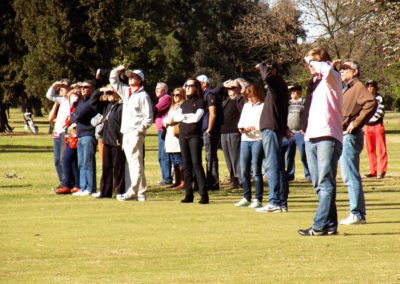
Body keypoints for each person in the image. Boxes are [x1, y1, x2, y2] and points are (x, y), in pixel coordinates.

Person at [297, 47, 343, 236]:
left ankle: (318, 225)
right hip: (311, 136)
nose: (309, 66)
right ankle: (330, 225)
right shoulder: (315, 84)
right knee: (318, 184)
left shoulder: (333, 78)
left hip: (327, 135)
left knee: (325, 182)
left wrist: (315, 60)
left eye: (311, 62)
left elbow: (327, 69)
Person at [338, 59, 376, 225]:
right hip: (343, 135)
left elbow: (371, 103)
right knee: (347, 175)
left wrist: (356, 123)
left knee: (350, 175)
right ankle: (356, 212)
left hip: (350, 136)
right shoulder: (347, 88)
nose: (342, 71)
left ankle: (357, 213)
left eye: (346, 68)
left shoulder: (358, 86)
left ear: (354, 71)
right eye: (341, 68)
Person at [110, 66, 153, 202]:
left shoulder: (143, 96)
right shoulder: (126, 92)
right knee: (134, 162)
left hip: (135, 132)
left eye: (133, 77)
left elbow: (148, 117)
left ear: (140, 80)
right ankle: (141, 192)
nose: (130, 78)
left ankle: (133, 192)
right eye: (129, 76)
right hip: (126, 133)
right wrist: (118, 69)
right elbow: (113, 80)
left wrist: (140, 130)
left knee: (135, 163)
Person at [254, 62, 290, 213]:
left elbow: (267, 77)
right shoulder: (278, 86)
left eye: (269, 68)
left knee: (272, 165)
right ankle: (281, 202)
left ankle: (274, 201)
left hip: (271, 129)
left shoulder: (276, 82)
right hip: (276, 128)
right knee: (279, 166)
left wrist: (261, 66)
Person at [173, 78, 209, 204]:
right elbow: (174, 117)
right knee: (186, 166)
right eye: (186, 85)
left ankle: (204, 195)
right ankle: (189, 195)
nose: (187, 88)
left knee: (196, 164)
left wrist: (184, 118)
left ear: (197, 87)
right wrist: (185, 117)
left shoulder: (200, 102)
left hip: (195, 137)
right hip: (183, 136)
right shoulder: (184, 103)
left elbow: (196, 118)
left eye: (191, 85)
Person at [234, 84, 265, 208]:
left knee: (256, 170)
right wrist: (242, 128)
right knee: (244, 170)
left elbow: (262, 122)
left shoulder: (263, 106)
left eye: (252, 96)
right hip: (245, 139)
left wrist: (254, 127)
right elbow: (241, 121)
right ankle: (246, 197)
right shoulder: (246, 106)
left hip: (257, 139)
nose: (250, 99)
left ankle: (258, 199)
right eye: (248, 96)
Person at [94, 85, 125, 198]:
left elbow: (122, 124)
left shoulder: (122, 106)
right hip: (106, 140)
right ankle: (105, 192)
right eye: (107, 94)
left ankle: (120, 192)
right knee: (106, 168)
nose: (108, 95)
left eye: (111, 93)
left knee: (118, 168)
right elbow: (93, 103)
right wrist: (99, 90)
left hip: (117, 141)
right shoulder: (107, 106)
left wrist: (121, 139)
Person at [70, 80, 99, 196]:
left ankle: (90, 188)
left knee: (88, 162)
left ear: (92, 89)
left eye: (86, 87)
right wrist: (75, 116)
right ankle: (83, 187)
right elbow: (73, 117)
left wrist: (76, 116)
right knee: (81, 163)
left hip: (88, 134)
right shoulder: (81, 101)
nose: (83, 89)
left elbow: (80, 115)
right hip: (80, 135)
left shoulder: (92, 102)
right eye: (82, 87)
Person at [45, 78, 72, 190]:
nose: (61, 90)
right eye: (60, 88)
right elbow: (49, 95)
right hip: (58, 132)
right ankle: (63, 182)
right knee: (57, 160)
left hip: (65, 134)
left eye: (64, 88)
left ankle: (67, 183)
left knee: (62, 159)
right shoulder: (62, 100)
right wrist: (55, 85)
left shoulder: (71, 99)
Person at [197, 74, 221, 191]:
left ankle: (213, 183)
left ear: (204, 83)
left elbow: (213, 113)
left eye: (198, 84)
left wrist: (209, 129)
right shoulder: (204, 94)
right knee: (209, 156)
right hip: (204, 128)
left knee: (210, 156)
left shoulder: (210, 94)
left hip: (209, 129)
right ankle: (210, 182)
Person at [54, 88, 81, 195]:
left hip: (75, 135)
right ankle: (76, 185)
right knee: (73, 161)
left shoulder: (75, 104)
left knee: (66, 159)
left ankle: (66, 184)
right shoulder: (71, 109)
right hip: (68, 135)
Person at [220, 79, 244, 189]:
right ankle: (233, 179)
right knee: (228, 158)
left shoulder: (241, 100)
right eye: (229, 88)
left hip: (235, 132)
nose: (230, 90)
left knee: (236, 157)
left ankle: (240, 180)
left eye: (233, 88)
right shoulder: (225, 100)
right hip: (224, 132)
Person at [284, 83, 311, 181]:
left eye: (295, 91)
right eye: (292, 91)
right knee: (289, 155)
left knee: (304, 154)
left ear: (299, 92)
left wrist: (305, 128)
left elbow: (308, 116)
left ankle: (308, 175)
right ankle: (290, 175)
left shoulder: (303, 102)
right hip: (290, 133)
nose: (292, 93)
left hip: (300, 133)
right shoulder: (288, 103)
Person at [163, 87, 186, 190]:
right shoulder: (173, 106)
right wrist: (167, 121)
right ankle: (177, 181)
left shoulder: (183, 106)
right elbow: (167, 119)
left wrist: (167, 121)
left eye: (178, 95)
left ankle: (183, 181)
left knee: (179, 160)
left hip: (177, 135)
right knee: (174, 160)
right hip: (170, 136)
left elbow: (174, 119)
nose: (175, 97)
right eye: (174, 95)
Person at [364, 80, 387, 179]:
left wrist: (369, 119)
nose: (370, 88)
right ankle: (373, 171)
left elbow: (380, 112)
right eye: (368, 86)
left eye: (372, 86)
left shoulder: (379, 98)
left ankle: (382, 170)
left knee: (381, 149)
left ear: (375, 87)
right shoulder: (365, 98)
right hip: (368, 127)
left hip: (377, 126)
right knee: (370, 149)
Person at [154, 82, 173, 186]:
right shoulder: (162, 99)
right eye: (156, 89)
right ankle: (165, 177)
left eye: (158, 89)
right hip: (161, 130)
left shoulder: (166, 98)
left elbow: (155, 110)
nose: (156, 90)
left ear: (165, 90)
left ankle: (167, 178)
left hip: (164, 130)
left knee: (164, 155)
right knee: (162, 155)